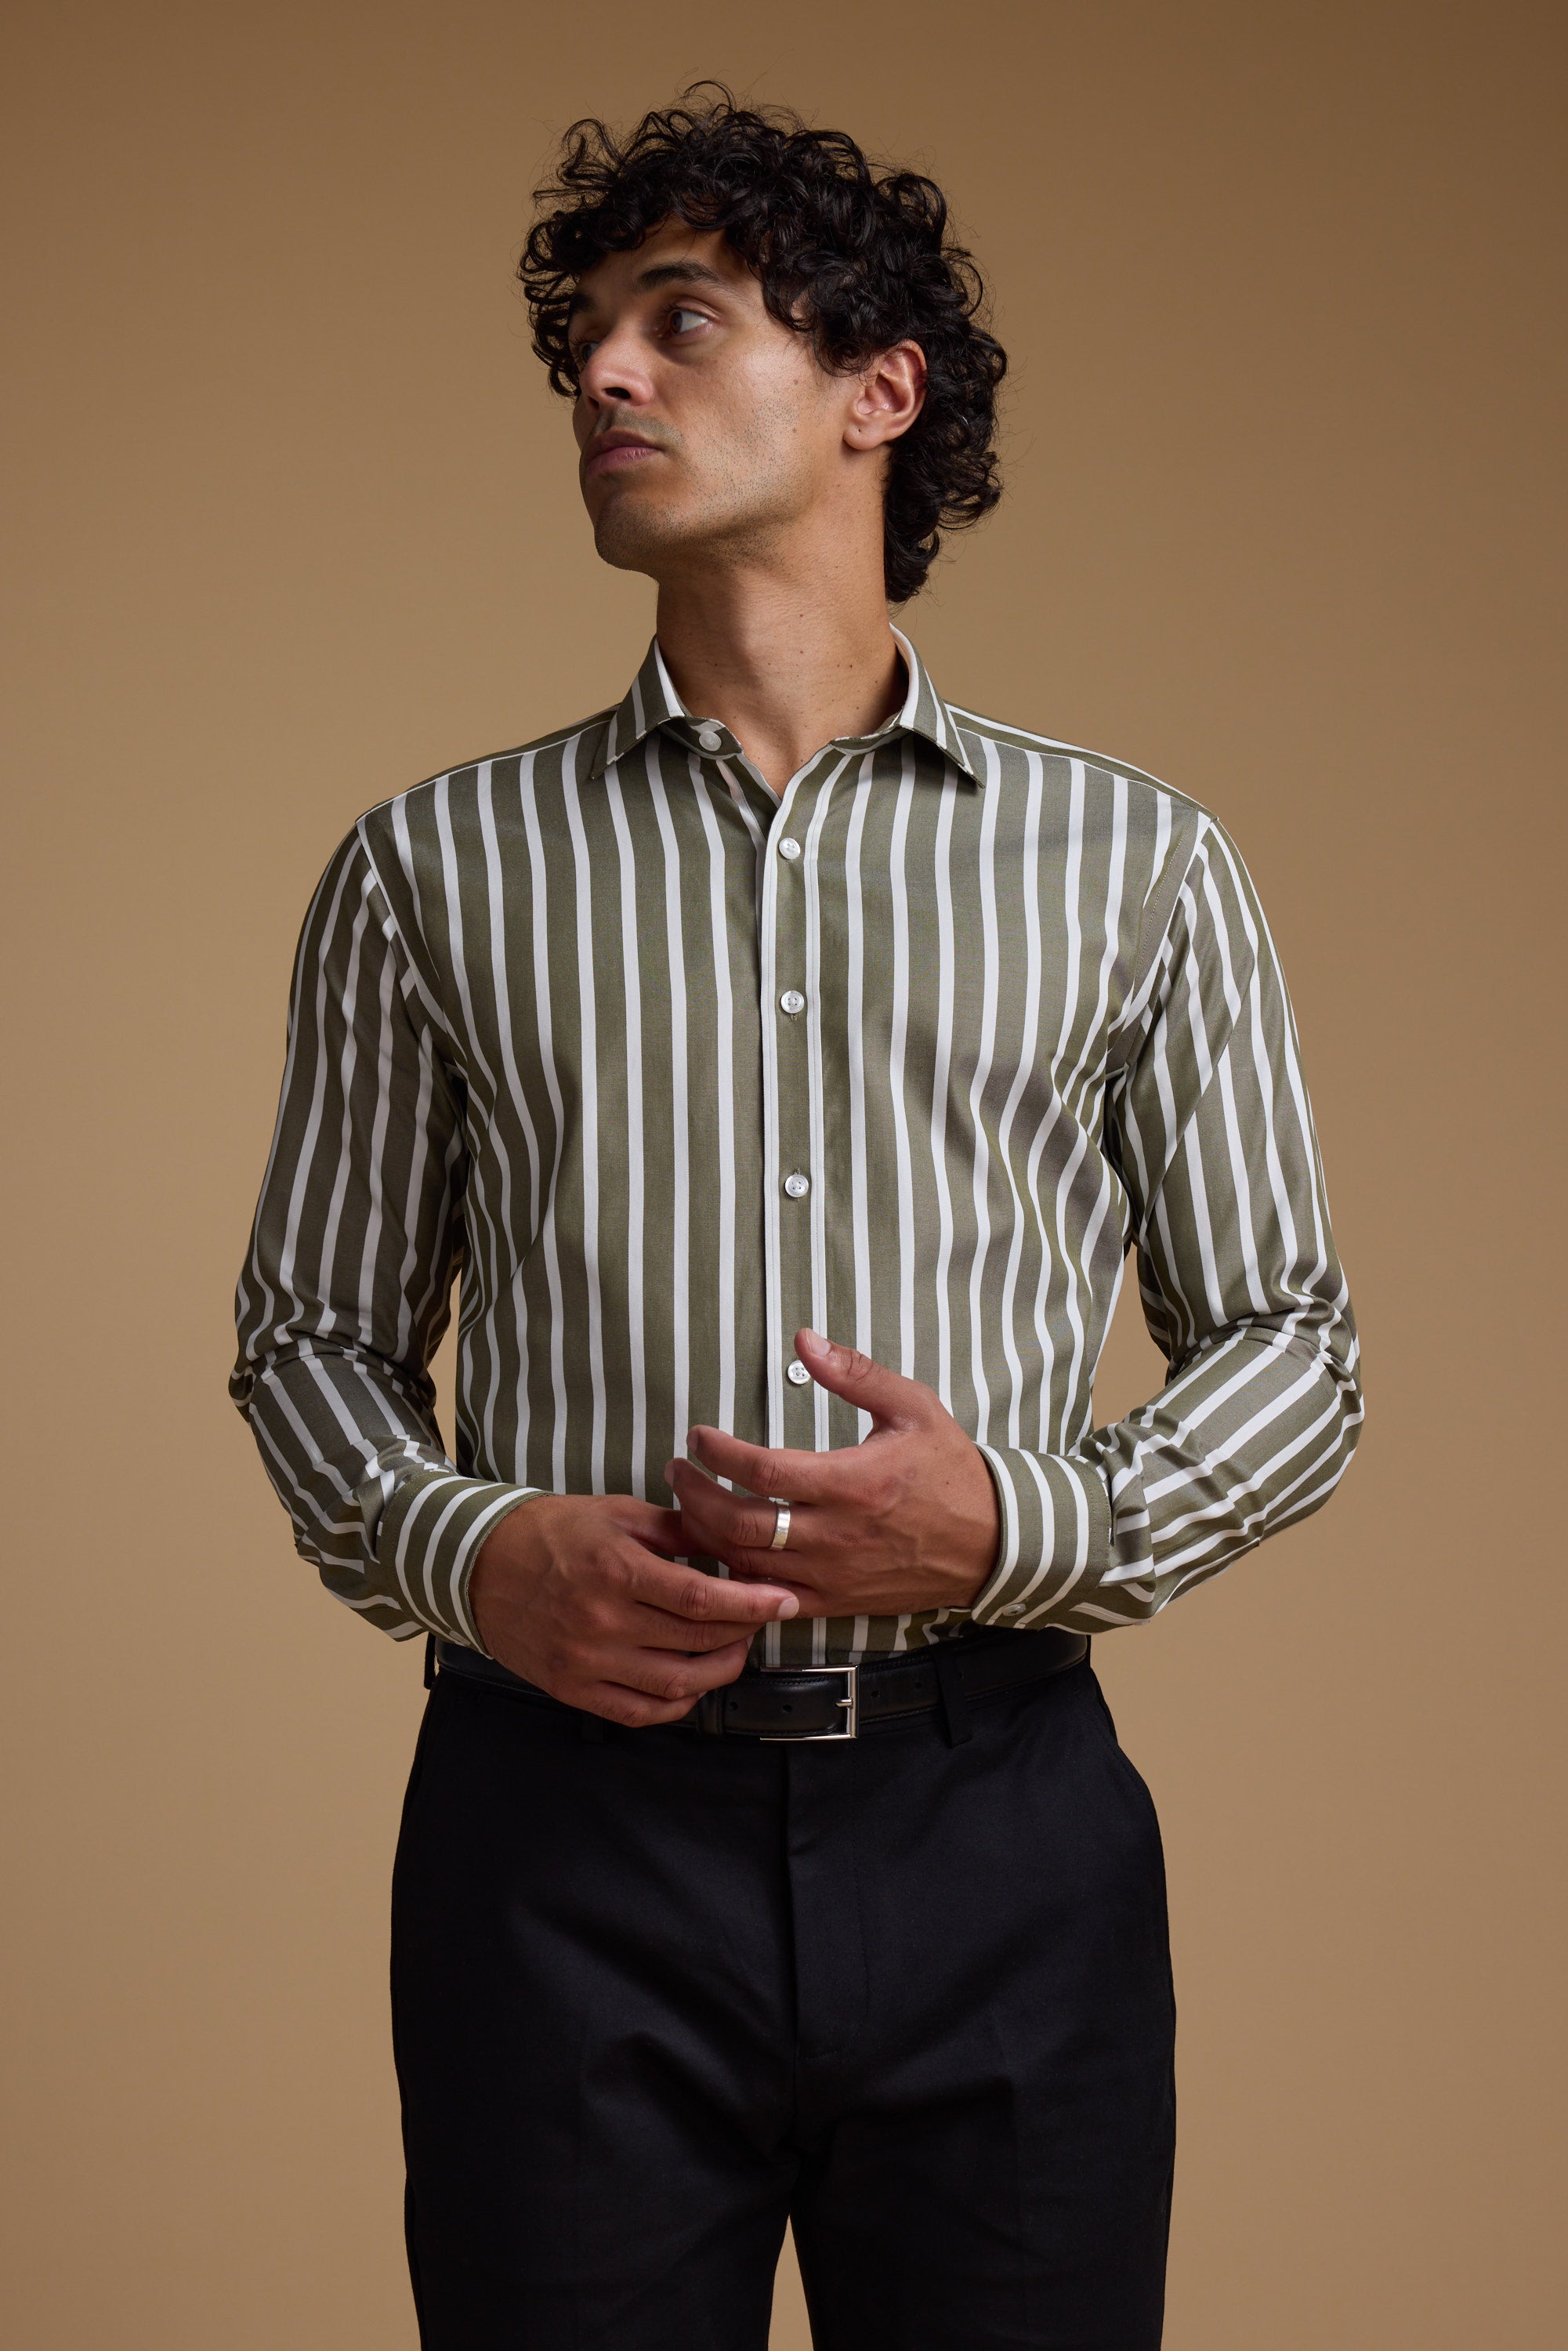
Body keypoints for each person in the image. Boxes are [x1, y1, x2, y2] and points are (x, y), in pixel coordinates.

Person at [231, 88, 1361, 2351]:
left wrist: (1012, 1526)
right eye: (584, 341)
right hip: (558, 1842)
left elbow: (1294, 1345)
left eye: (679, 322)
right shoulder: (430, 870)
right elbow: (309, 1345)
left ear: (877, 390)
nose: (602, 379)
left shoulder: (1133, 865)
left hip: (998, 1831)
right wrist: (474, 1551)